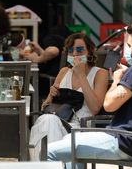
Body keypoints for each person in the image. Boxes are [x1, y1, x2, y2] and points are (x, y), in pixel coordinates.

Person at [47, 22, 132, 169]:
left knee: (49, 151)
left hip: (122, 143)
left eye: (129, 45)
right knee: (70, 139)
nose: (126, 50)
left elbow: (109, 105)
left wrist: (117, 80)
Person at [29, 32, 109, 161]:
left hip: (81, 127)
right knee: (47, 121)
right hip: (58, 121)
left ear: (89, 52)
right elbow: (46, 106)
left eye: (80, 50)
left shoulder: (100, 73)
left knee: (48, 123)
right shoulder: (64, 72)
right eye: (71, 51)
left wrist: (82, 76)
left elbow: (95, 108)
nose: (75, 54)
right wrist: (51, 96)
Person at [23, 25, 72, 96]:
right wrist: (39, 49)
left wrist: (36, 59)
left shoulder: (51, 37)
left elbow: (53, 51)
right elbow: (53, 57)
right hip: (62, 80)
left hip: (51, 81)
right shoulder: (65, 42)